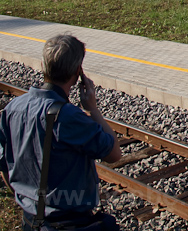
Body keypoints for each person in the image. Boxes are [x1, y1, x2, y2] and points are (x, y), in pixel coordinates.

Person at [0, 34, 123, 231]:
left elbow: (5, 166)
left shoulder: (12, 109)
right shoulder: (69, 117)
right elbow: (114, 153)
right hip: (69, 221)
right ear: (77, 73)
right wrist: (92, 109)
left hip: (30, 220)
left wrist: (27, 199)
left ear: (43, 66)